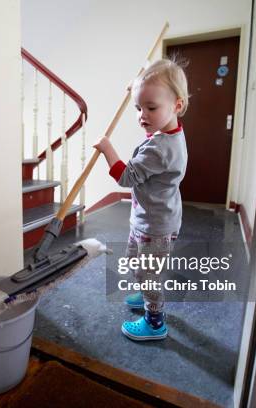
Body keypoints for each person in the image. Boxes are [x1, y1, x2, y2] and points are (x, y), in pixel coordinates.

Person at [93, 58, 189, 340]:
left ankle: (154, 321)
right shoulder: (170, 132)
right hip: (150, 218)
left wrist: (108, 150)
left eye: (151, 107)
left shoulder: (158, 149)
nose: (142, 115)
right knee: (136, 262)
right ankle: (145, 288)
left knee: (149, 275)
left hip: (155, 226)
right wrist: (140, 88)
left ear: (178, 106)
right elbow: (152, 127)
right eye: (138, 107)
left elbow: (126, 178)